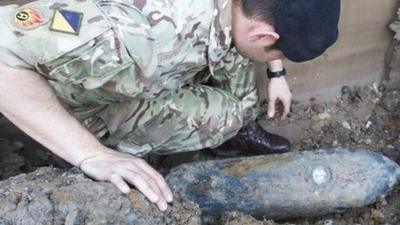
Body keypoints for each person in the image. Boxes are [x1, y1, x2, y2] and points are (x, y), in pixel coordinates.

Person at [0, 0, 340, 211]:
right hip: (82, 100)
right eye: (279, 52)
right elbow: (3, 51)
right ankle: (86, 144)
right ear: (264, 35)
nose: (277, 60)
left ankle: (238, 124)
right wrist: (89, 153)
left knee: (237, 72)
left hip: (163, 57)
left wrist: (276, 70)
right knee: (226, 115)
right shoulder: (129, 35)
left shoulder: (241, 16)